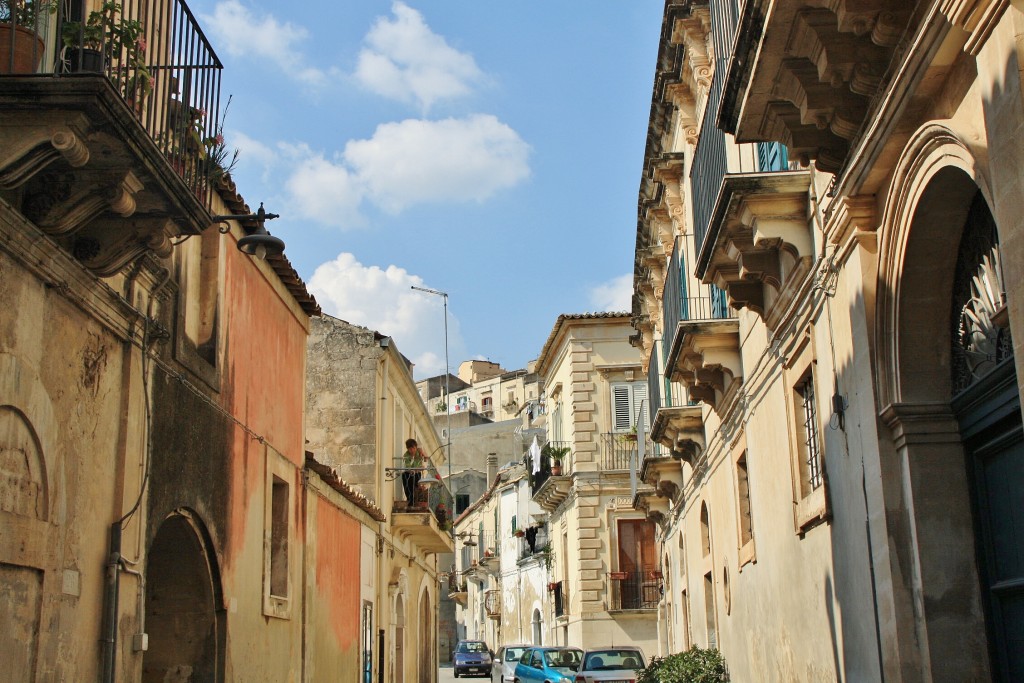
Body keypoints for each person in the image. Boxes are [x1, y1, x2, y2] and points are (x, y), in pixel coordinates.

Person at [402, 438, 426, 507]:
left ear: (416, 447)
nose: (412, 450)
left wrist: (422, 452)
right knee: (408, 487)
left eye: (414, 448)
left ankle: (415, 502)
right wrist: (412, 458)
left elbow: (426, 458)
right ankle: (410, 501)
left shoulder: (419, 452)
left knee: (416, 488)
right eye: (410, 449)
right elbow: (408, 467)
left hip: (417, 474)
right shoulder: (406, 455)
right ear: (407, 449)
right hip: (409, 474)